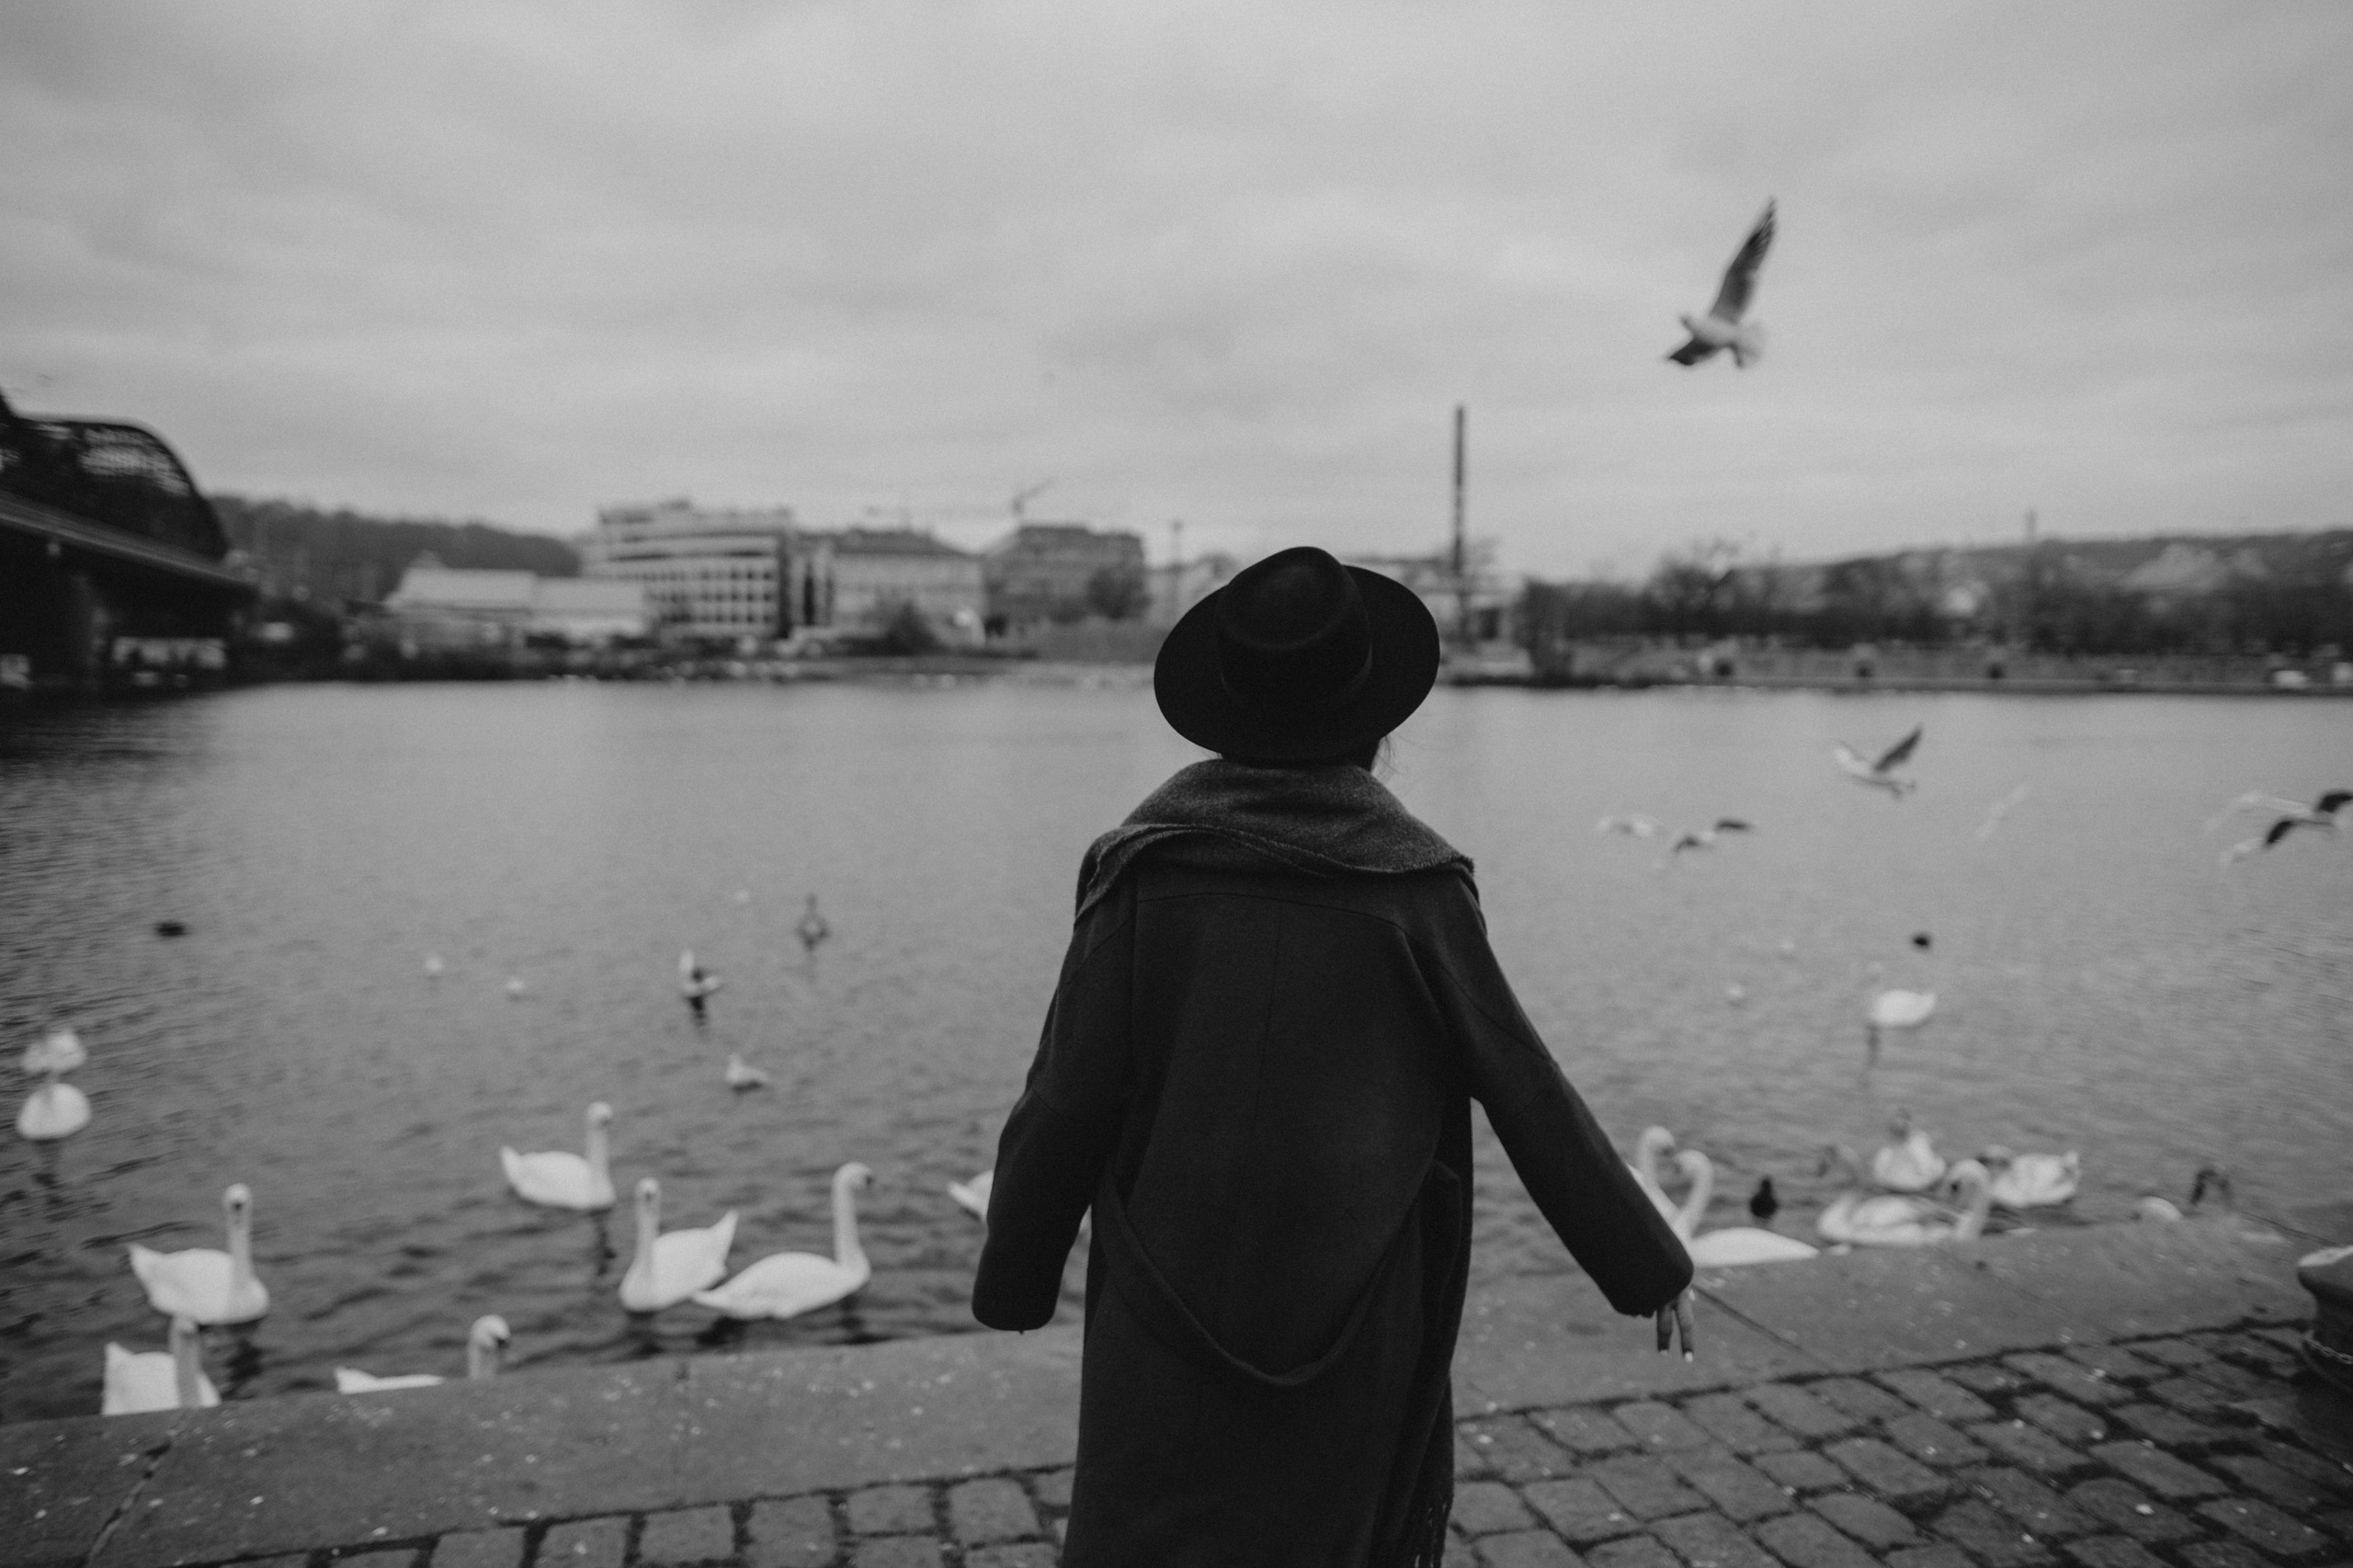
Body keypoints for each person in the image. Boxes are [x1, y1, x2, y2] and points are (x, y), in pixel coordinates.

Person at [972, 546, 1695, 1567]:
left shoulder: (1142, 872)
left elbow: (1065, 1094)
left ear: (1228, 704)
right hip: (1356, 1297)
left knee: (1153, 1527)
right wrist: (1644, 1261)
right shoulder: (1417, 890)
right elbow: (1522, 1082)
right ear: (1376, 720)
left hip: (1167, 1280)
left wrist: (1015, 1273)